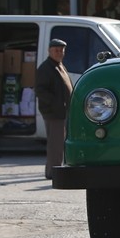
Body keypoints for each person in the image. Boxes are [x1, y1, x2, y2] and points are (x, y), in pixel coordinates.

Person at [35, 38, 73, 181]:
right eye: (56, 50)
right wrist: (57, 104)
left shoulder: (59, 65)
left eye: (62, 50)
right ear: (49, 51)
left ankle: (56, 169)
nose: (59, 52)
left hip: (61, 111)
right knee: (55, 144)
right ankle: (53, 172)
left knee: (59, 143)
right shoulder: (46, 68)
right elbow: (40, 90)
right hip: (54, 112)